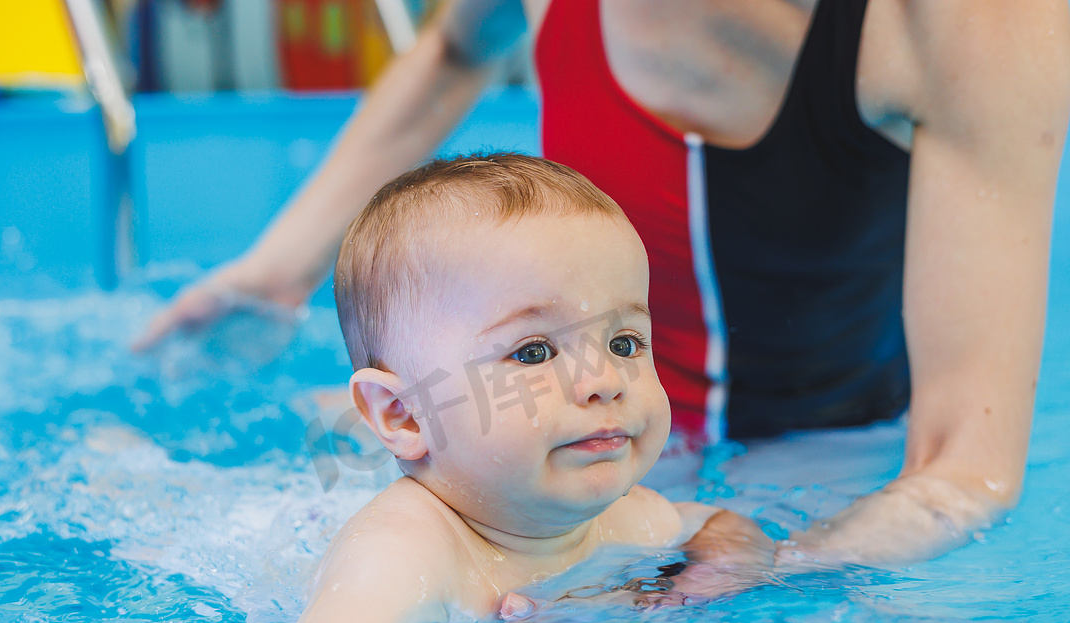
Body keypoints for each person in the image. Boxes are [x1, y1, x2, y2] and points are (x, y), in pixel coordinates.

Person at [135, 0, 1070, 569]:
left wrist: (761, 566)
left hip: (821, 467)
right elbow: (457, 50)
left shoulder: (970, 27)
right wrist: (278, 271)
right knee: (292, 475)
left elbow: (963, 475)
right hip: (543, 426)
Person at [282, 154, 775, 623]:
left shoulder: (627, 520)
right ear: (405, 414)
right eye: (534, 352)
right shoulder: (400, 557)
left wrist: (714, 572)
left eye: (625, 344)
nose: (604, 382)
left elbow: (717, 525)